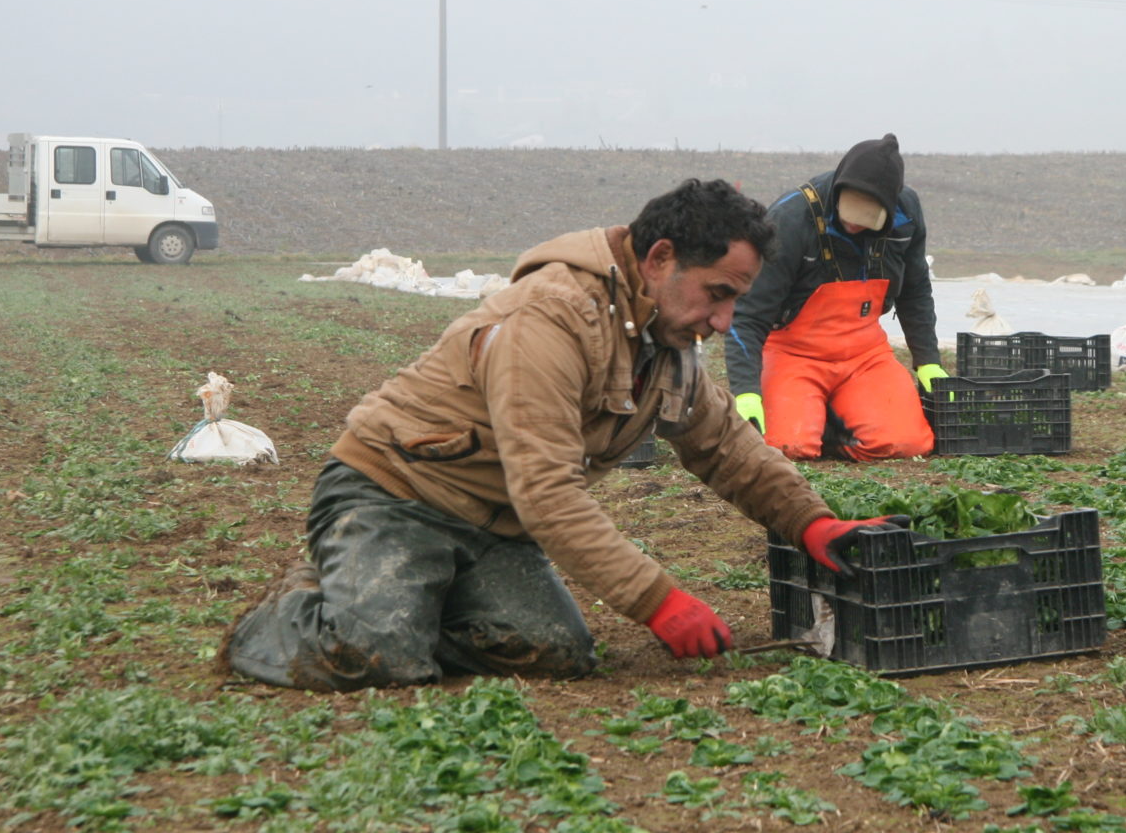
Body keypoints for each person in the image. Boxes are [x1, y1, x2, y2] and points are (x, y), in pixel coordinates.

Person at [219, 179, 903, 691]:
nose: (724, 321)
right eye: (717, 293)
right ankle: (296, 611)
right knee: (376, 655)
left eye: (735, 301)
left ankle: (406, 600)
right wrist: (657, 600)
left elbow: (724, 446)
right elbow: (546, 490)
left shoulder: (664, 339)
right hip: (396, 493)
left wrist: (812, 524)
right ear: (661, 258)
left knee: (555, 654)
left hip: (494, 525)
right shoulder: (551, 317)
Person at [725, 134, 943, 461]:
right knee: (785, 447)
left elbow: (915, 292)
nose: (855, 225)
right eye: (849, 216)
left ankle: (827, 420)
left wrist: (928, 362)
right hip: (792, 351)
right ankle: (805, 415)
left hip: (864, 353)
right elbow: (747, 316)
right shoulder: (791, 219)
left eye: (866, 220)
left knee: (908, 444)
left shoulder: (907, 215)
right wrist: (745, 393)